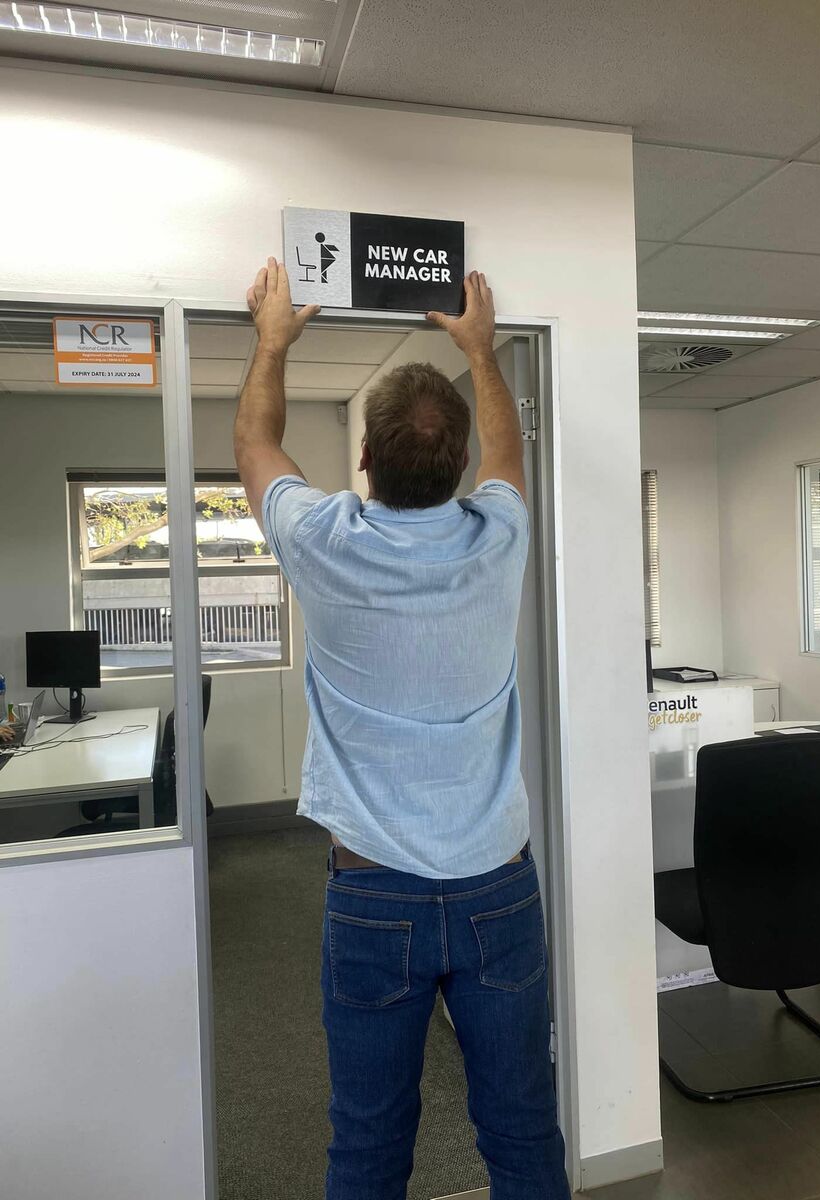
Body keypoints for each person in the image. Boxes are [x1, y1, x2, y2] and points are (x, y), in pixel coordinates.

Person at [233, 258, 569, 1200]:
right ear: (458, 467)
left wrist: (272, 341)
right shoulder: (499, 538)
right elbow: (509, 453)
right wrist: (482, 352)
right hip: (498, 888)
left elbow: (254, 441)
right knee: (523, 1130)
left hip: (374, 893)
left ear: (365, 462)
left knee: (370, 1143)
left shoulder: (322, 539)